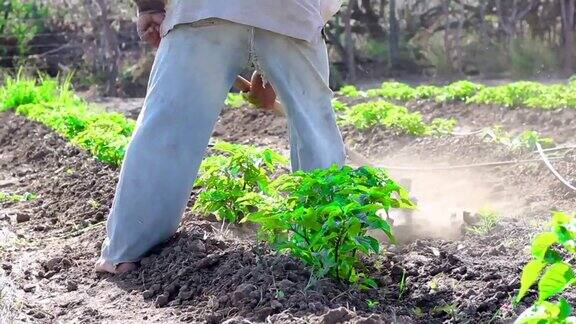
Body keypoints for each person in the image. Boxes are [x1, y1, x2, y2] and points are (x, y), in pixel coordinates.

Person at [95, 0, 346, 274]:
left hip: (202, 10)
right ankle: (324, 248)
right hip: (293, 12)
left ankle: (127, 249)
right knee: (315, 130)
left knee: (169, 125)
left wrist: (150, 7)